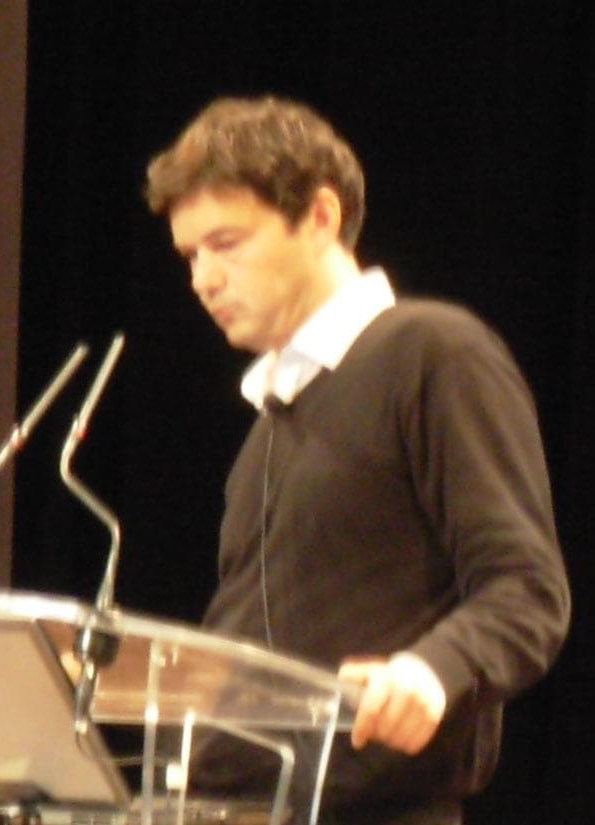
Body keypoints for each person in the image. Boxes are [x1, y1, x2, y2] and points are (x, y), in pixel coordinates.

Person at [144, 96, 570, 825]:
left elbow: (527, 589)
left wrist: (432, 669)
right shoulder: (266, 431)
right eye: (191, 255)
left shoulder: (432, 353)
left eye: (226, 243)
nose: (202, 279)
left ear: (319, 216)